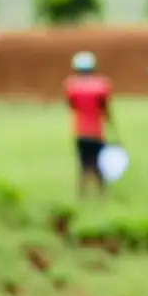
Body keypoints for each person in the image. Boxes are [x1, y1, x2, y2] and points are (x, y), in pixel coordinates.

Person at [64, 51, 114, 196]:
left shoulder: (71, 86)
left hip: (81, 131)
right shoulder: (101, 85)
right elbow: (105, 108)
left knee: (83, 164)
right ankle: (101, 194)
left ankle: (82, 194)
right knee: (99, 164)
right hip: (97, 132)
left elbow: (71, 106)